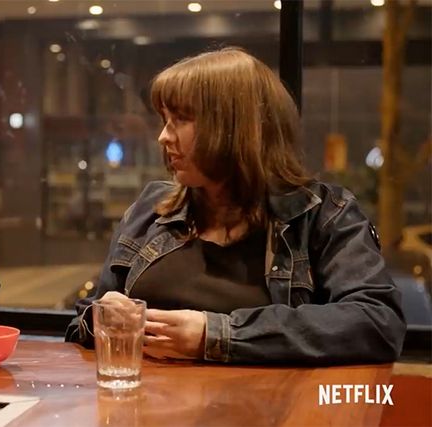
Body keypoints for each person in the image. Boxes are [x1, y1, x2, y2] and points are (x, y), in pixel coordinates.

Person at [66, 47, 406, 364]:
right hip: (144, 399)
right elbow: (82, 322)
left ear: (234, 128)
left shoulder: (323, 214)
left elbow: (377, 323)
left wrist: (215, 335)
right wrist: (101, 318)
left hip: (268, 403)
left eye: (180, 119)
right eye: (164, 120)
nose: (163, 136)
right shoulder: (151, 208)